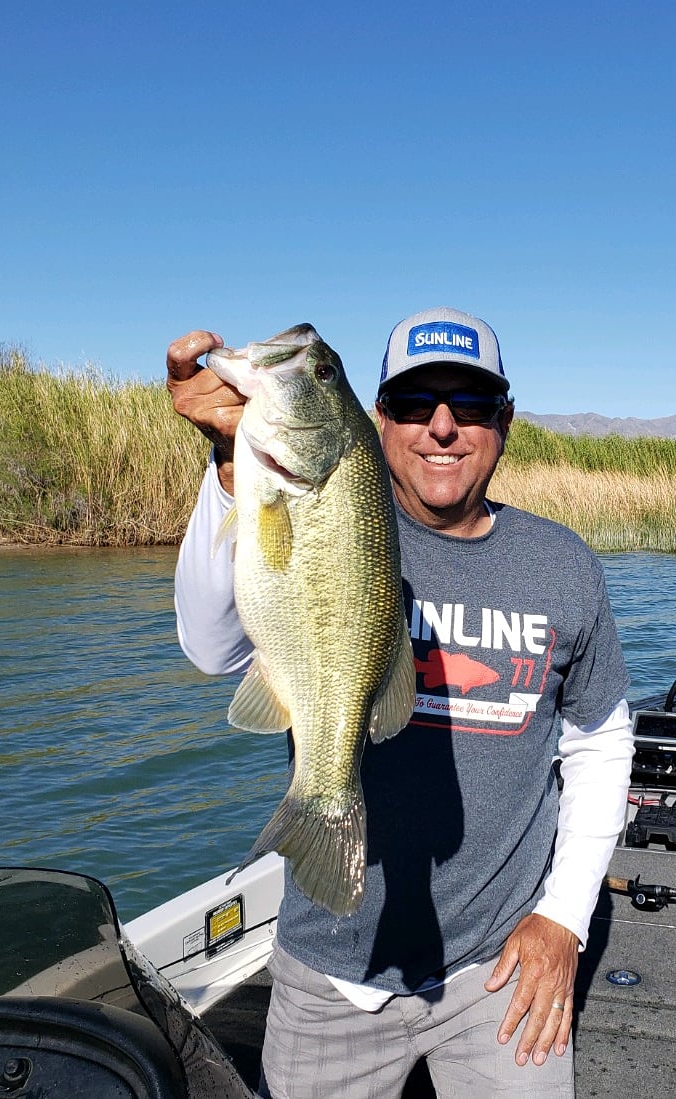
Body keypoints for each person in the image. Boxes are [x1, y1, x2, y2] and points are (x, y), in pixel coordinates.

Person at [167, 306, 634, 1099]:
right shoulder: (322, 503)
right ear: (378, 420)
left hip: (502, 966)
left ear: (504, 422)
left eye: (471, 406)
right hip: (331, 973)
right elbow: (212, 648)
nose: (441, 428)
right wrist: (225, 464)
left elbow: (598, 741)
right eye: (415, 405)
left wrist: (563, 917)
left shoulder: (562, 565)